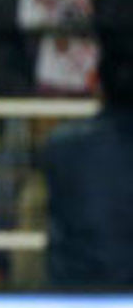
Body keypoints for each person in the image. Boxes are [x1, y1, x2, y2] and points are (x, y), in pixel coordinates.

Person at [44, 44, 133, 287]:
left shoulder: (61, 146)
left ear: (96, 83)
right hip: (83, 289)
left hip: (78, 288)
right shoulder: (63, 145)